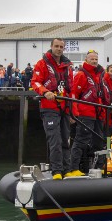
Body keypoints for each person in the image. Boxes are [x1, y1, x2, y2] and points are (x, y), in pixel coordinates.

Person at [31, 37, 74, 179]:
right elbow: (35, 82)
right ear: (51, 46)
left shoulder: (67, 66)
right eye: (56, 46)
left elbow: (70, 89)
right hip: (49, 107)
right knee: (55, 140)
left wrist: (73, 112)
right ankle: (56, 171)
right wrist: (45, 92)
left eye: (61, 47)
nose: (59, 49)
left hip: (64, 108)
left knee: (66, 139)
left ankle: (66, 169)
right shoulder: (42, 64)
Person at [66, 50, 106, 177]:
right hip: (85, 113)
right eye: (92, 59)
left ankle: (98, 167)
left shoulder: (98, 75)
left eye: (96, 59)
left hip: (98, 113)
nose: (94, 61)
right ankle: (73, 168)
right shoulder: (81, 75)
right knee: (81, 140)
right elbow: (73, 94)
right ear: (87, 60)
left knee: (99, 141)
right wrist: (74, 112)